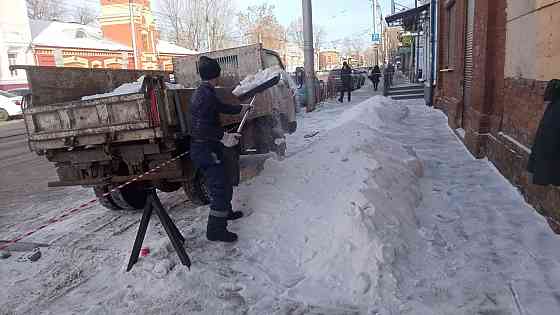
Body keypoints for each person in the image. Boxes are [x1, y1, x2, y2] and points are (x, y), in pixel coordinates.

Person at [190, 56, 252, 243]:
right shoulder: (205, 95)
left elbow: (220, 107)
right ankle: (215, 230)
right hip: (204, 148)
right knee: (219, 188)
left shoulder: (205, 91)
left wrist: (240, 109)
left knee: (225, 180)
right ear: (215, 75)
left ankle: (226, 213)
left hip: (209, 145)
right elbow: (201, 127)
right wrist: (224, 137)